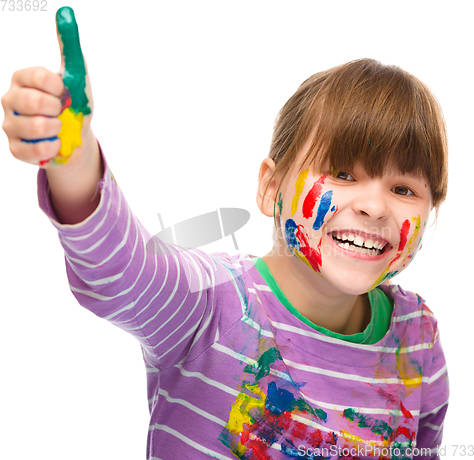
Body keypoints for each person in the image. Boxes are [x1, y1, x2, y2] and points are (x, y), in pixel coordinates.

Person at [2, 7, 449, 460]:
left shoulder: (416, 339)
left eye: (402, 188)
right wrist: (75, 163)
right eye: (343, 173)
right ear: (271, 188)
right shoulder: (211, 302)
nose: (374, 206)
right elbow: (124, 272)